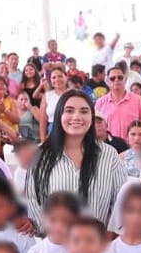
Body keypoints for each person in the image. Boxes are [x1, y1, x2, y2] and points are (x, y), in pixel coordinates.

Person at [23, 90, 126, 228]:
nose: (77, 117)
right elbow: (34, 203)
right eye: (69, 111)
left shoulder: (109, 155)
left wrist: (110, 234)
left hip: (97, 239)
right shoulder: (40, 155)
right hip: (54, 239)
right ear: (59, 115)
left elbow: (120, 202)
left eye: (84, 111)